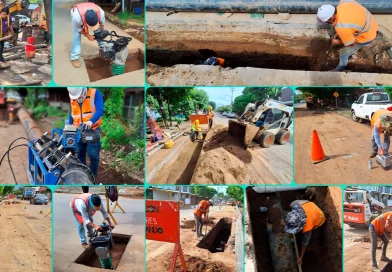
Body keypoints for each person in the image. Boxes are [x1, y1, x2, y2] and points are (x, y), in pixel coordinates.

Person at [317, 2, 378, 71]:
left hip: (367, 36)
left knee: (343, 54)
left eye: (327, 21)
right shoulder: (343, 3)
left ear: (331, 17)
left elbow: (352, 43)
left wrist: (338, 41)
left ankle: (339, 69)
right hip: (370, 22)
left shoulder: (342, 27)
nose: (327, 23)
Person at [68, 87, 103, 177]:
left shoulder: (94, 93)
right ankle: (82, 175)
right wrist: (69, 125)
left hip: (92, 130)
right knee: (80, 153)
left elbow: (100, 110)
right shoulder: (73, 97)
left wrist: (91, 121)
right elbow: (72, 112)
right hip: (78, 131)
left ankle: (92, 177)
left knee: (93, 155)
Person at [284, 200, 325, 264]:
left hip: (319, 218)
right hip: (309, 205)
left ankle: (309, 248)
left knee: (311, 237)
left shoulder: (307, 228)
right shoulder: (294, 204)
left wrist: (301, 258)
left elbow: (304, 243)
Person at [70, 2, 105, 68]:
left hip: (89, 8)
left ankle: (102, 49)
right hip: (78, 10)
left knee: (98, 31)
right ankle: (74, 58)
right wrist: (87, 35)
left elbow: (102, 25)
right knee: (76, 36)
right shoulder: (76, 17)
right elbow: (78, 29)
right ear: (85, 22)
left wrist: (101, 33)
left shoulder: (101, 13)